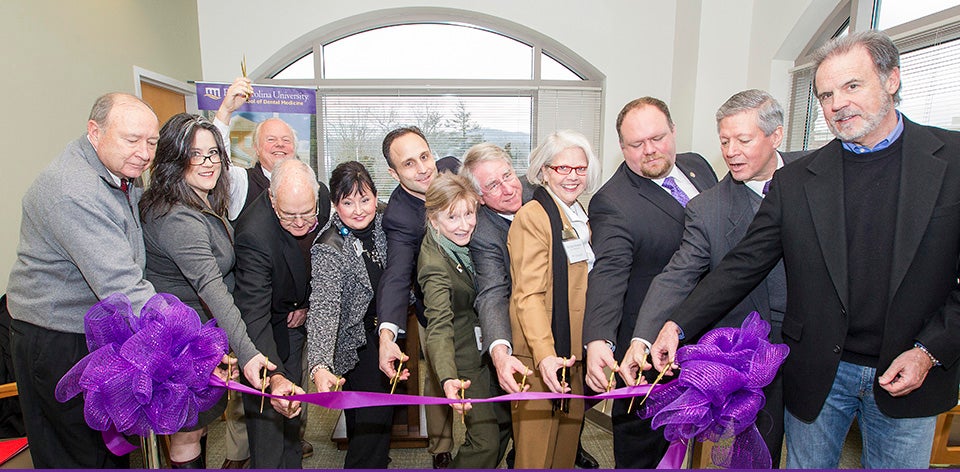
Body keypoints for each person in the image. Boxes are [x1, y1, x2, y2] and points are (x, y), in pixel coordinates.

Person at [651, 30, 960, 469]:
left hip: (911, 370)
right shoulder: (798, 181)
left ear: (891, 80)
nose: (837, 104)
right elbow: (743, 264)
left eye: (852, 86)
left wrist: (930, 351)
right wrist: (677, 326)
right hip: (819, 374)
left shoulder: (953, 162)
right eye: (826, 94)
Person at [621, 89, 804, 466]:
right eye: (724, 141)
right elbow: (678, 274)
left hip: (820, 348)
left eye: (743, 140)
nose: (731, 151)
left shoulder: (816, 176)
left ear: (776, 136)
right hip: (753, 355)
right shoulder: (708, 209)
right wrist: (647, 334)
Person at [7, 93, 159, 468]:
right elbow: (120, 284)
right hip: (57, 338)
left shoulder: (119, 172)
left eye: (151, 142)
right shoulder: (73, 190)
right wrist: (177, 336)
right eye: (132, 139)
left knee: (106, 447)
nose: (144, 153)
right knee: (76, 452)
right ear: (95, 132)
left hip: (91, 330)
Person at [581, 97, 718, 469]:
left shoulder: (698, 167)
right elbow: (608, 273)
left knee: (706, 440)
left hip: (710, 332)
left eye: (657, 138)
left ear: (673, 132)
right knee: (646, 447)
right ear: (622, 148)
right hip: (646, 345)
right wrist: (599, 340)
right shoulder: (613, 201)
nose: (650, 150)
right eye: (637, 145)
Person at [139, 113, 278, 468]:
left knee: (195, 431)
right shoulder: (178, 217)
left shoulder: (197, 200)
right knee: (187, 434)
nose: (208, 163)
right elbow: (211, 288)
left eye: (214, 153)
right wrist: (247, 354)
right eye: (195, 154)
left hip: (198, 337)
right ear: (174, 158)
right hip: (178, 343)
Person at [460, 142, 599, 469]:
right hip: (527, 344)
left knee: (564, 438)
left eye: (508, 175)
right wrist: (500, 351)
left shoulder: (556, 201)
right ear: (479, 197)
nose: (508, 188)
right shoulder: (484, 232)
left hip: (570, 340)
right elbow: (495, 292)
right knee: (526, 446)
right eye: (492, 185)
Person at [507, 130, 602, 468]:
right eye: (562, 168)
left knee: (563, 452)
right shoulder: (533, 216)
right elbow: (528, 295)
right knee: (536, 456)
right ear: (544, 171)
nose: (572, 176)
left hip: (573, 353)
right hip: (541, 356)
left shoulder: (580, 216)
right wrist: (546, 356)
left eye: (579, 168)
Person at [233, 158, 328, 469]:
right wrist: (272, 377)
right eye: (289, 216)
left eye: (307, 213)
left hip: (296, 317)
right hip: (266, 328)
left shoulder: (320, 198)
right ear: (273, 200)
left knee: (293, 416)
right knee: (268, 424)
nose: (301, 223)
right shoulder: (254, 234)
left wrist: (306, 303)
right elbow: (254, 316)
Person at [375, 127, 459, 468]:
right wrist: (386, 334)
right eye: (409, 164)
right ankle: (441, 446)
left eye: (425, 156)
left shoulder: (454, 170)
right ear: (394, 174)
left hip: (483, 300)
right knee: (441, 375)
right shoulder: (400, 216)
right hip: (434, 310)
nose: (424, 168)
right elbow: (396, 277)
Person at [419, 172, 512, 468]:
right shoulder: (434, 266)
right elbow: (438, 328)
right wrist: (447, 378)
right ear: (434, 220)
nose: (465, 224)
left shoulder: (461, 243)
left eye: (469, 213)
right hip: (461, 357)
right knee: (485, 440)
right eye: (453, 218)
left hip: (484, 345)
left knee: (504, 422)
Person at [307, 161, 393, 468]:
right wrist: (319, 364)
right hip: (355, 341)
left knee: (367, 421)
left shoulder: (386, 221)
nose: (358, 210)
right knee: (375, 416)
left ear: (375, 197)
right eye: (347, 202)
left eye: (365, 199)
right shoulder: (330, 245)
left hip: (386, 330)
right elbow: (324, 305)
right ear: (334, 204)